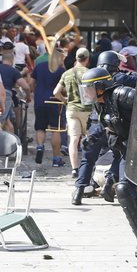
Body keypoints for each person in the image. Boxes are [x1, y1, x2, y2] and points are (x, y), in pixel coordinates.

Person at [79, 67, 137, 257]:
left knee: (128, 191)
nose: (85, 92)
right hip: (125, 152)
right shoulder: (100, 103)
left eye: (89, 88)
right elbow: (107, 125)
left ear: (101, 87)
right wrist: (91, 138)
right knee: (126, 193)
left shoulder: (123, 94)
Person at [53, 48, 92, 179]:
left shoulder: (67, 73)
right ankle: (88, 167)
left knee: (73, 140)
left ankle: (74, 169)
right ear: (87, 59)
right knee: (89, 139)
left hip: (72, 109)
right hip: (87, 110)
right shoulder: (90, 73)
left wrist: (65, 100)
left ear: (76, 58)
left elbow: (56, 92)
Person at [31, 49, 66, 167]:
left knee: (40, 128)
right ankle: (56, 158)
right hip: (55, 102)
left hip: (40, 99)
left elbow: (32, 82)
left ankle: (40, 146)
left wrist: (33, 92)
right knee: (55, 130)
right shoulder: (61, 70)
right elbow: (64, 88)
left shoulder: (39, 66)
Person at [0, 53, 32, 133]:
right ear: (12, 60)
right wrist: (28, 96)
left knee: (7, 121)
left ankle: (10, 140)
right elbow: (26, 87)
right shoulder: (13, 71)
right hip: (5, 96)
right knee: (2, 119)